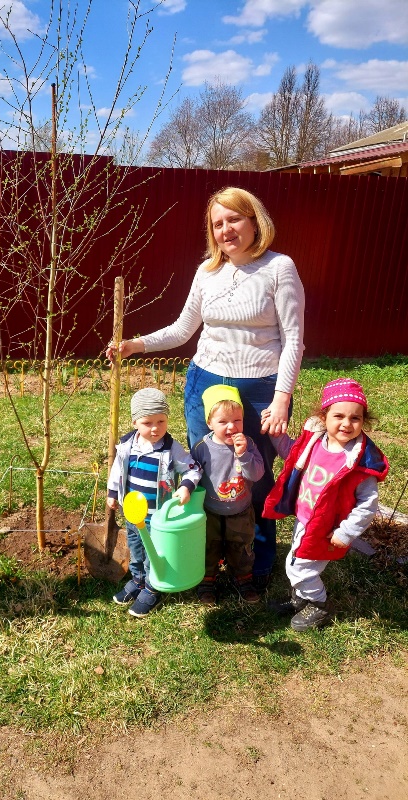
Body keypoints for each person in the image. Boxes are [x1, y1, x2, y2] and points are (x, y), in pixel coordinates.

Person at [106, 186, 305, 590]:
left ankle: (256, 562)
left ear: (254, 221)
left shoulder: (279, 268)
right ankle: (207, 558)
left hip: (257, 389)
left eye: (235, 219)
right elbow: (184, 329)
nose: (226, 229)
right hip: (205, 382)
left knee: (256, 475)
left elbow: (294, 339)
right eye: (218, 223)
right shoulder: (207, 271)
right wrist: (136, 344)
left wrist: (282, 397)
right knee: (206, 471)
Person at [263, 378, 388, 631]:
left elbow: (368, 504)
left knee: (301, 568)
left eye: (356, 418)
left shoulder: (360, 463)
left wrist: (346, 532)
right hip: (305, 518)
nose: (346, 424)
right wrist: (276, 433)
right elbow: (291, 452)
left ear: (364, 421)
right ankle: (301, 599)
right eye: (339, 416)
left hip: (327, 527)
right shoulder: (316, 442)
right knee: (295, 561)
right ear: (324, 416)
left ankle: (319, 605)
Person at [107, 388, 202, 618]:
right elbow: (117, 471)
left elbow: (193, 468)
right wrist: (112, 493)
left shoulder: (171, 449)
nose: (155, 428)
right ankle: (137, 580)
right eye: (148, 422)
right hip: (133, 514)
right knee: (136, 549)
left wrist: (186, 486)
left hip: (157, 518)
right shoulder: (127, 446)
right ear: (135, 422)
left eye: (161, 421)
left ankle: (153, 587)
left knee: (153, 553)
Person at [191, 385, 265, 606]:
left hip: (240, 510)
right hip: (210, 511)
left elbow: (257, 474)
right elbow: (192, 474)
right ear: (209, 424)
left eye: (237, 420)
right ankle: (206, 581)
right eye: (223, 422)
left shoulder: (248, 444)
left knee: (241, 546)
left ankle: (243, 578)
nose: (231, 427)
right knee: (208, 545)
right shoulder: (202, 447)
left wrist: (243, 456)